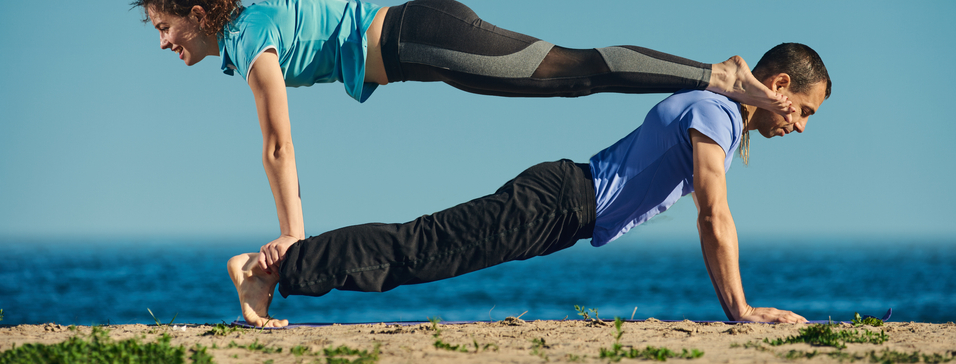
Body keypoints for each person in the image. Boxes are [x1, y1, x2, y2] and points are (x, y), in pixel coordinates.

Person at [133, 0, 796, 275]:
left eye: (165, 28)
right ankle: (714, 72)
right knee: (569, 76)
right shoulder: (247, 33)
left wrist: (295, 232)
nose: (163, 43)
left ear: (197, 14)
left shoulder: (250, 38)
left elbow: (278, 144)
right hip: (422, 38)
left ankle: (717, 73)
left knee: (570, 72)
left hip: (421, 35)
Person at [227, 43, 831, 326]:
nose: (800, 127)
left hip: (560, 205)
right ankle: (272, 269)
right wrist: (741, 312)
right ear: (777, 85)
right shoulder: (720, 115)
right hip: (558, 202)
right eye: (802, 110)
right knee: (419, 248)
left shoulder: (715, 110)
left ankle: (283, 269)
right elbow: (713, 216)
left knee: (423, 248)